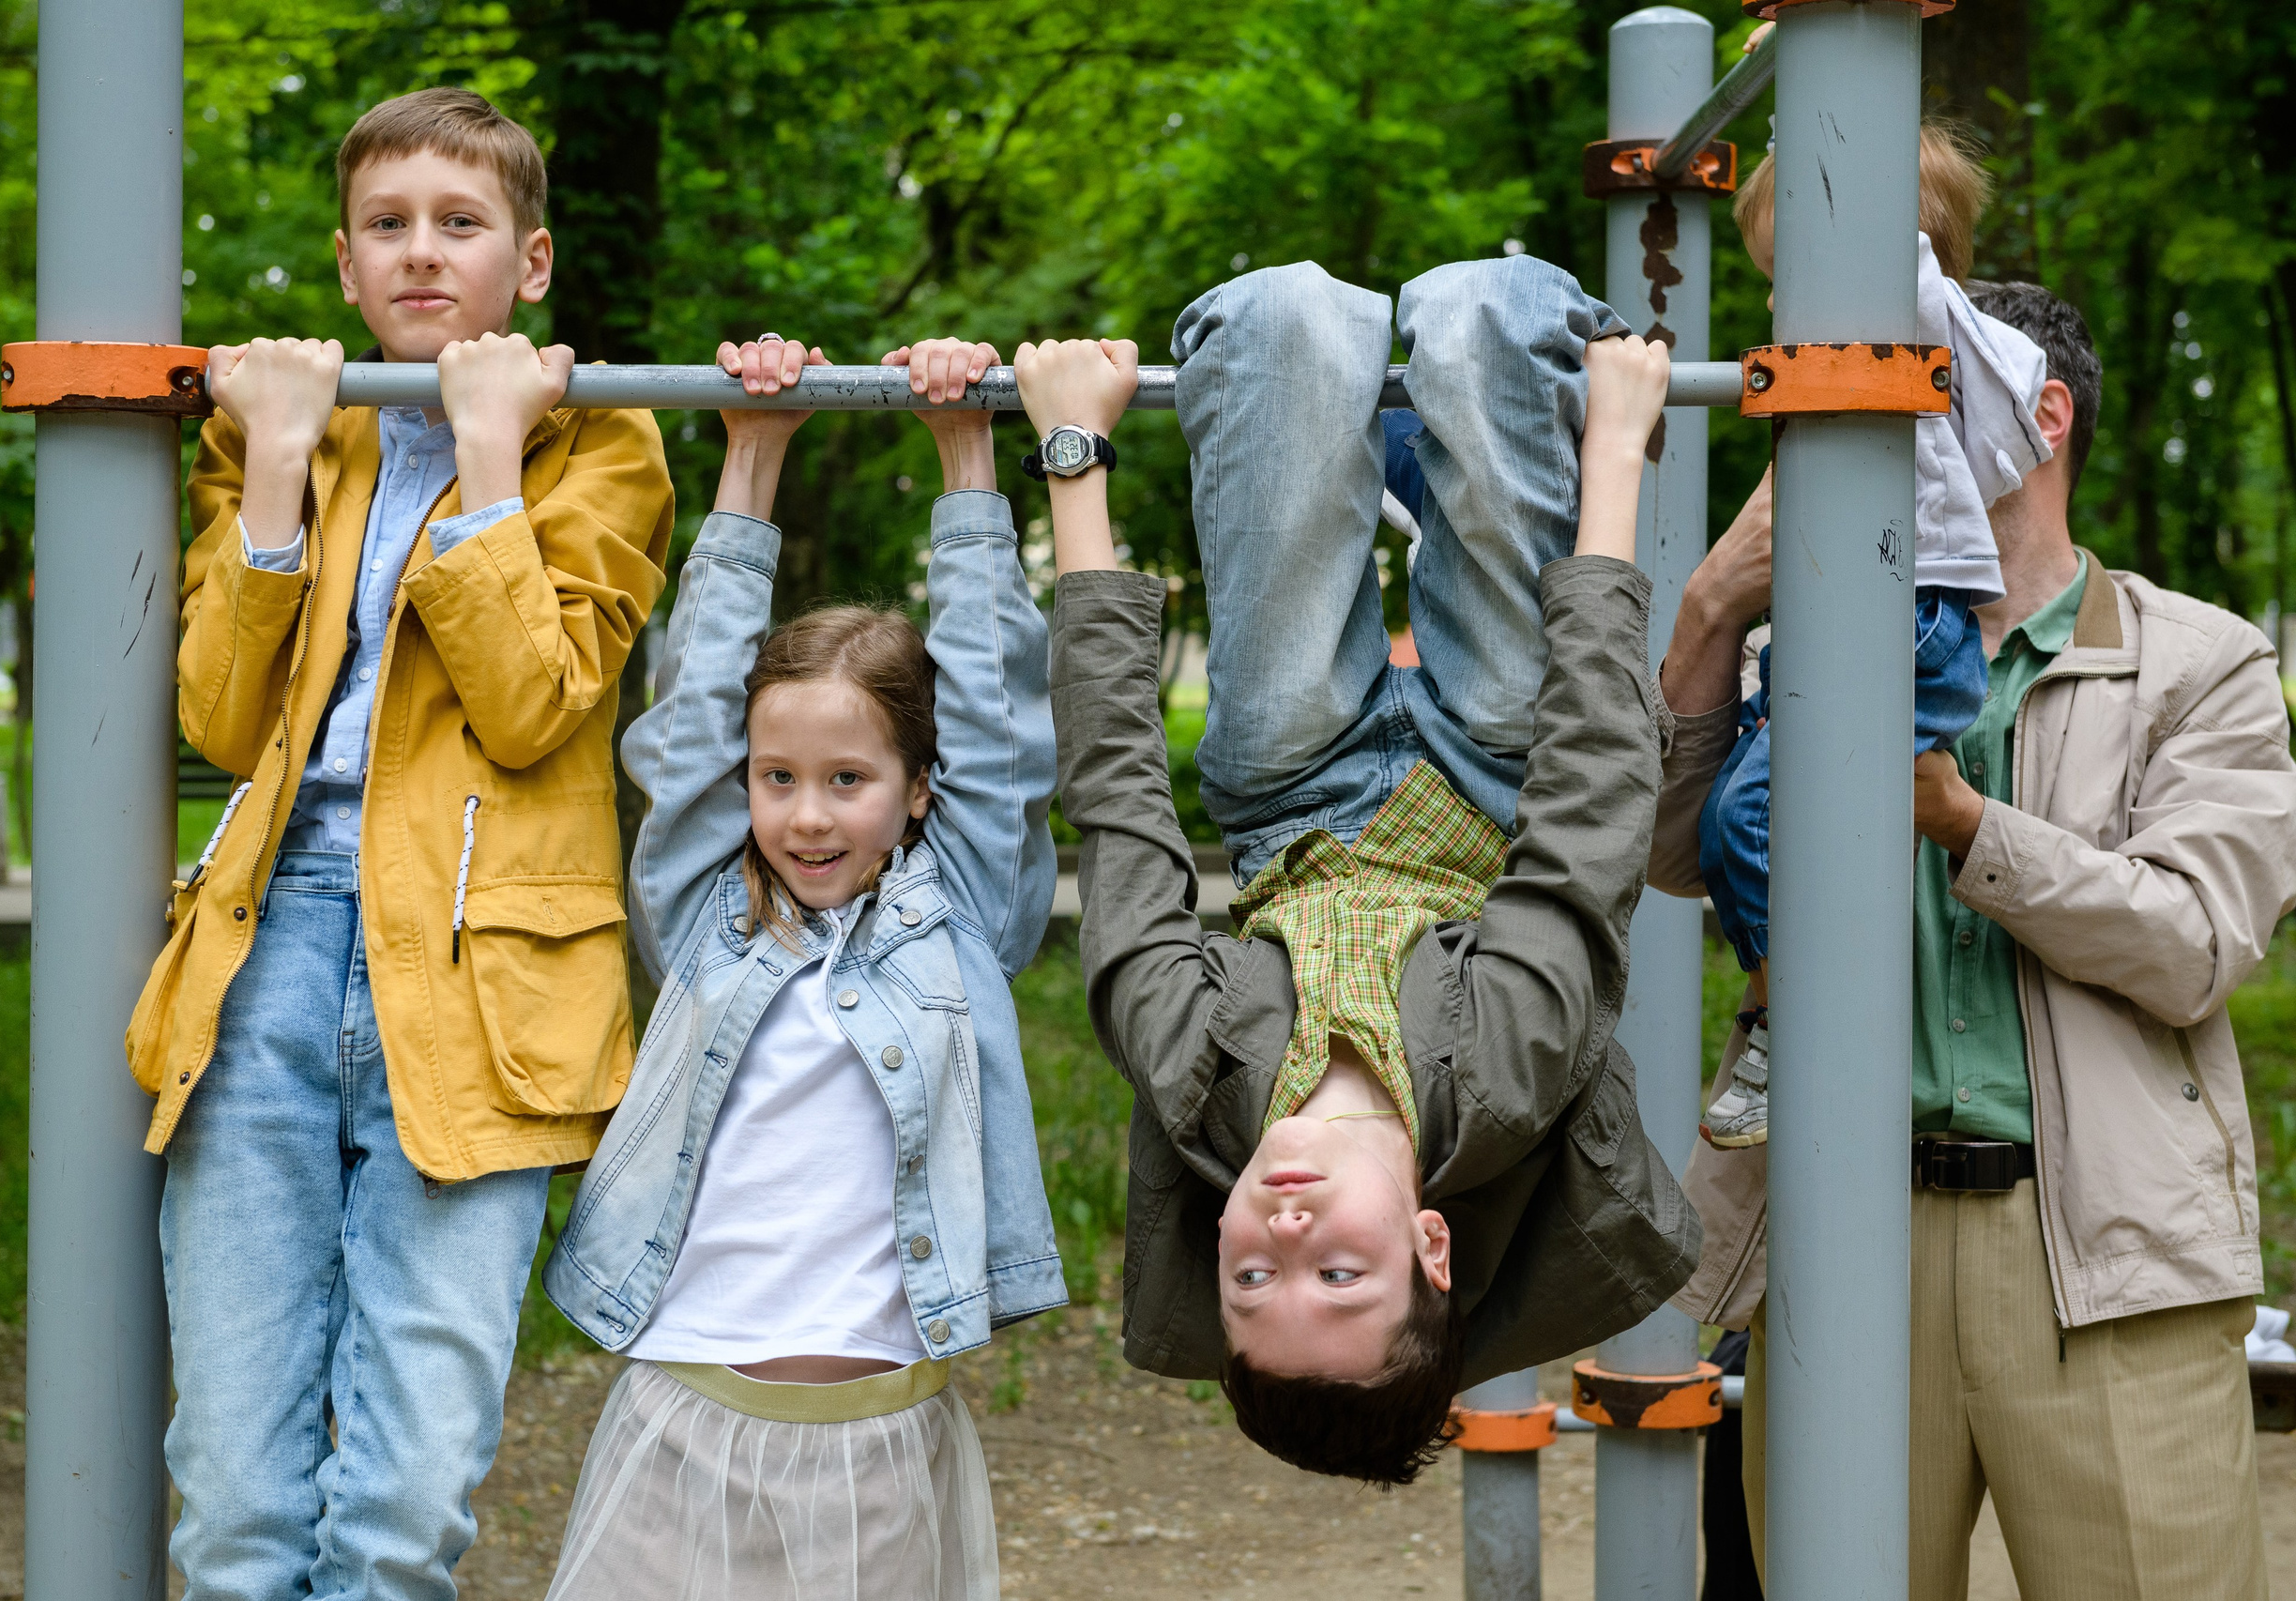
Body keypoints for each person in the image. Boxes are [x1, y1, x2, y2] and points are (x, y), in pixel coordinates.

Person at [1655, 283, 2296, 1598]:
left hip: (2107, 1258)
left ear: (2039, 418)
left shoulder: (2202, 664)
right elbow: (1668, 854)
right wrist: (1714, 609)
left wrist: (1962, 821)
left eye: (1910, 397)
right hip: (1839, 1224)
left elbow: (2194, 940)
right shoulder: (1811, 647)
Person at [125, 87, 674, 1597]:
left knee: (403, 1497)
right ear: (348, 266)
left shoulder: (607, 439)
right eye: (388, 226)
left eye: (461, 221)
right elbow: (226, 722)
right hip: (268, 958)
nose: (422, 252)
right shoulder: (291, 429)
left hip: (480, 971)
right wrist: (282, 470)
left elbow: (532, 706)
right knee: (236, 1505)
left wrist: (490, 466)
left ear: (533, 258)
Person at [1042, 258, 1699, 1487]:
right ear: (1430, 1244)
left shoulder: (1194, 1079)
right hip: (1507, 769)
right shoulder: (1505, 1080)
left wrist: (1073, 452)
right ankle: (1481, 395)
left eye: (1249, 1274)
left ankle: (1337, 385)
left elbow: (1118, 809)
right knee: (1482, 319)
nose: (1285, 1231)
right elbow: (1592, 806)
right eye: (1338, 1273)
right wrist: (1616, 450)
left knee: (1280, 319)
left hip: (1292, 788)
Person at [537, 333, 1066, 1601]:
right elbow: (694, 715)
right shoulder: (706, 913)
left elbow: (994, 710)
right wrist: (751, 456)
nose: (810, 815)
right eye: (779, 779)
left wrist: (967, 449)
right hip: (683, 1412)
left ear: (918, 791)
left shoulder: (962, 921)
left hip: (880, 1433)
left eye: (850, 780)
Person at [1695, 122, 2053, 1148]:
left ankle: (1801, 1021)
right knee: (1731, 819)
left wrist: (1813, 110)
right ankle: (1781, 1005)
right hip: (1859, 618)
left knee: (1756, 815)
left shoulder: (1922, 329)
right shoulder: (1874, 358)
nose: (1771, 304)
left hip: (1911, 622)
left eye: (1786, 276)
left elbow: (1883, 236)